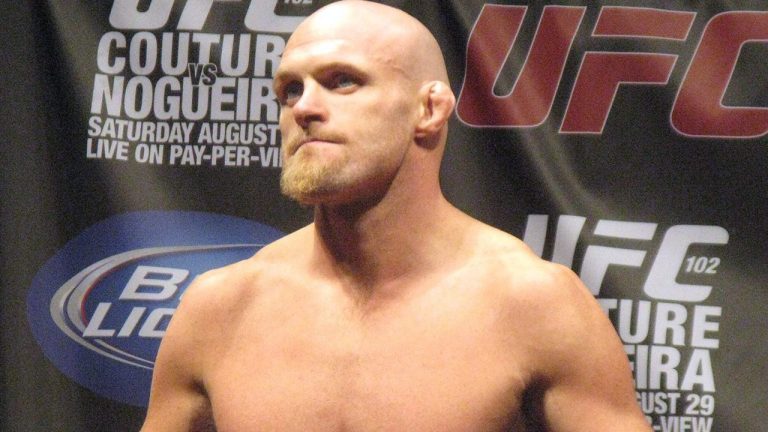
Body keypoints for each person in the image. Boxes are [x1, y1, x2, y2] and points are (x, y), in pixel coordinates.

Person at [140, 1, 652, 431]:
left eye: (342, 81)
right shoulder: (221, 309)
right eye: (290, 90)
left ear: (428, 110)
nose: (303, 109)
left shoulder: (532, 305)